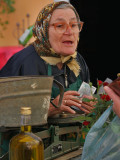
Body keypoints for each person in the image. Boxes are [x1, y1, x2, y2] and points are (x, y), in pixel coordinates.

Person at [0, 1, 94, 117]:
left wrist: (89, 105)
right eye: (60, 26)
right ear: (43, 30)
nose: (70, 32)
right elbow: (5, 113)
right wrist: (48, 108)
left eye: (74, 25)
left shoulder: (77, 61)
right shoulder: (25, 62)